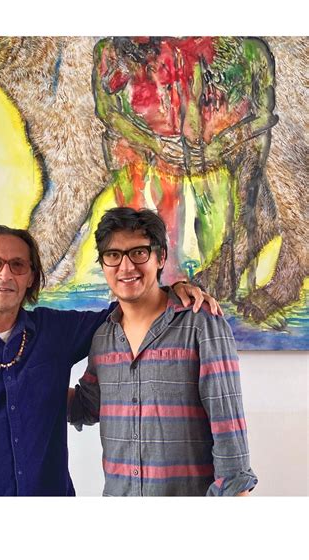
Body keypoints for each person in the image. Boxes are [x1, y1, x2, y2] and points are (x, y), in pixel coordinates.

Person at [0, 224, 218, 496]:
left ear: (31, 277)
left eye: (18, 265)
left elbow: (126, 310)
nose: (6, 274)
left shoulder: (54, 332)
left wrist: (173, 289)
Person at [69, 207, 257, 496]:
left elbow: (228, 432)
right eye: (113, 255)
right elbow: (87, 406)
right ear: (103, 263)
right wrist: (25, 381)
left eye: (139, 253)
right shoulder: (103, 337)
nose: (126, 267)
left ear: (160, 258)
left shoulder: (201, 325)